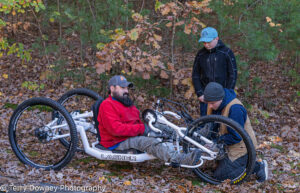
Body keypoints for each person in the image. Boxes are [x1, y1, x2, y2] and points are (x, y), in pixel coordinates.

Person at [97, 75, 201, 165]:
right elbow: (116, 130)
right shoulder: (107, 105)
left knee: (161, 126)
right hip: (116, 141)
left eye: (127, 88)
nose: (126, 91)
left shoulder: (125, 102)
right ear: (112, 88)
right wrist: (142, 129)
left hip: (131, 134)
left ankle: (193, 137)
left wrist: (150, 126)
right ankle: (178, 159)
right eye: (122, 88)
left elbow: (136, 121)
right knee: (148, 142)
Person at [202, 82, 268, 183]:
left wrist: (216, 141)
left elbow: (236, 137)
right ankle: (240, 164)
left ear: (221, 99)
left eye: (212, 103)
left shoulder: (235, 108)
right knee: (215, 170)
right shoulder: (216, 105)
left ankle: (257, 166)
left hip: (243, 148)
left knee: (220, 177)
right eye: (208, 103)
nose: (209, 107)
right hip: (229, 146)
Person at [192, 27, 238, 116]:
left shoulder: (226, 53)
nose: (206, 45)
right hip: (206, 96)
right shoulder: (201, 54)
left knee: (222, 123)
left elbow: (233, 75)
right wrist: (200, 93)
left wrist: (227, 93)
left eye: (208, 42)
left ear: (216, 38)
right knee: (205, 122)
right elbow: (195, 75)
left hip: (222, 96)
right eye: (204, 42)